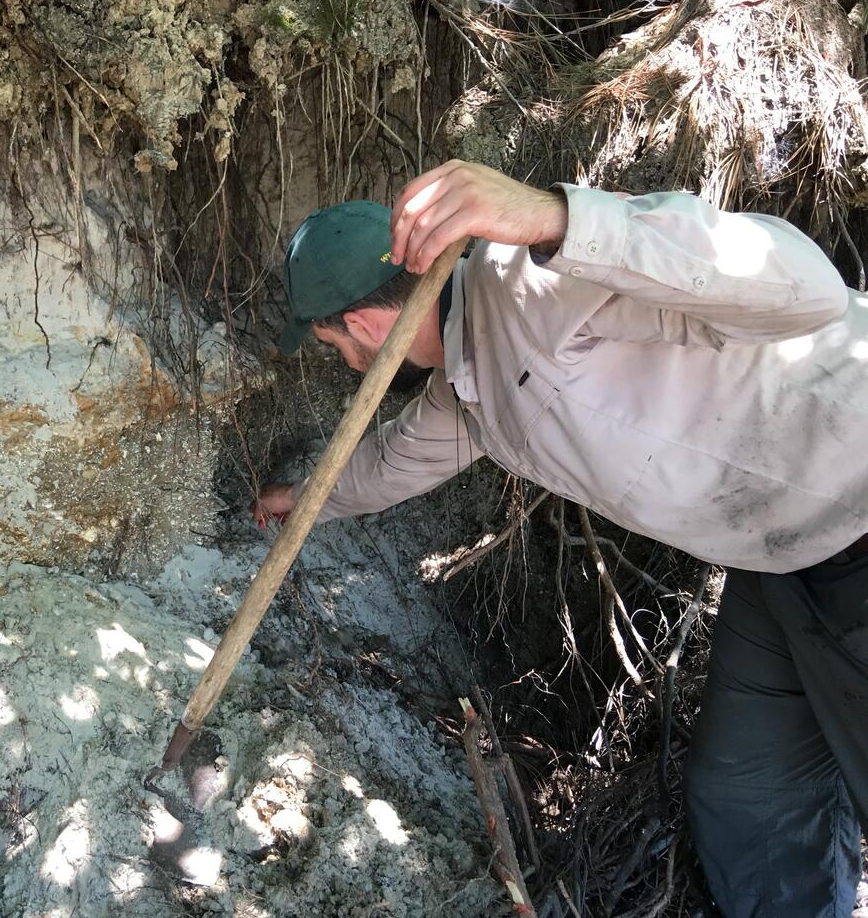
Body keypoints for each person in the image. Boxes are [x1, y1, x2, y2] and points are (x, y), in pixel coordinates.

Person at [255, 160, 868, 918]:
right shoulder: (467, 375)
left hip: (859, 510)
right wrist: (304, 499)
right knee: (750, 794)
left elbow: (807, 286)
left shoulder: (535, 282)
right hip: (780, 559)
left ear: (366, 326)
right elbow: (391, 461)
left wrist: (555, 219)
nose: (347, 366)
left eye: (333, 346)